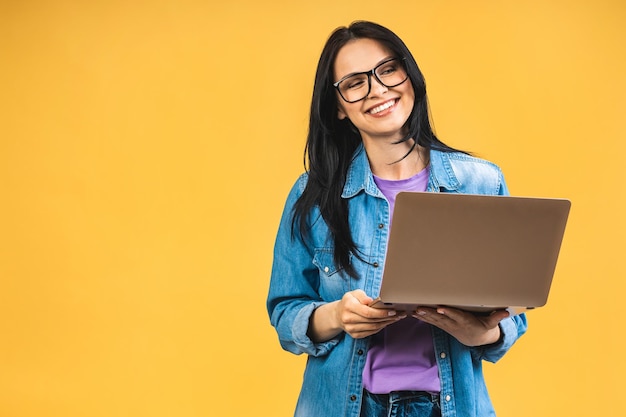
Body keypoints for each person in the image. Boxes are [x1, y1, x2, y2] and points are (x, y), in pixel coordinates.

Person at [267, 21, 527, 417]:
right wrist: (338, 315)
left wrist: (483, 333)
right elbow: (285, 314)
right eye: (355, 83)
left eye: (387, 69)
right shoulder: (312, 195)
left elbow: (512, 312)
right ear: (337, 106)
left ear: (409, 75)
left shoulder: (481, 182)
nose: (377, 89)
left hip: (451, 407)